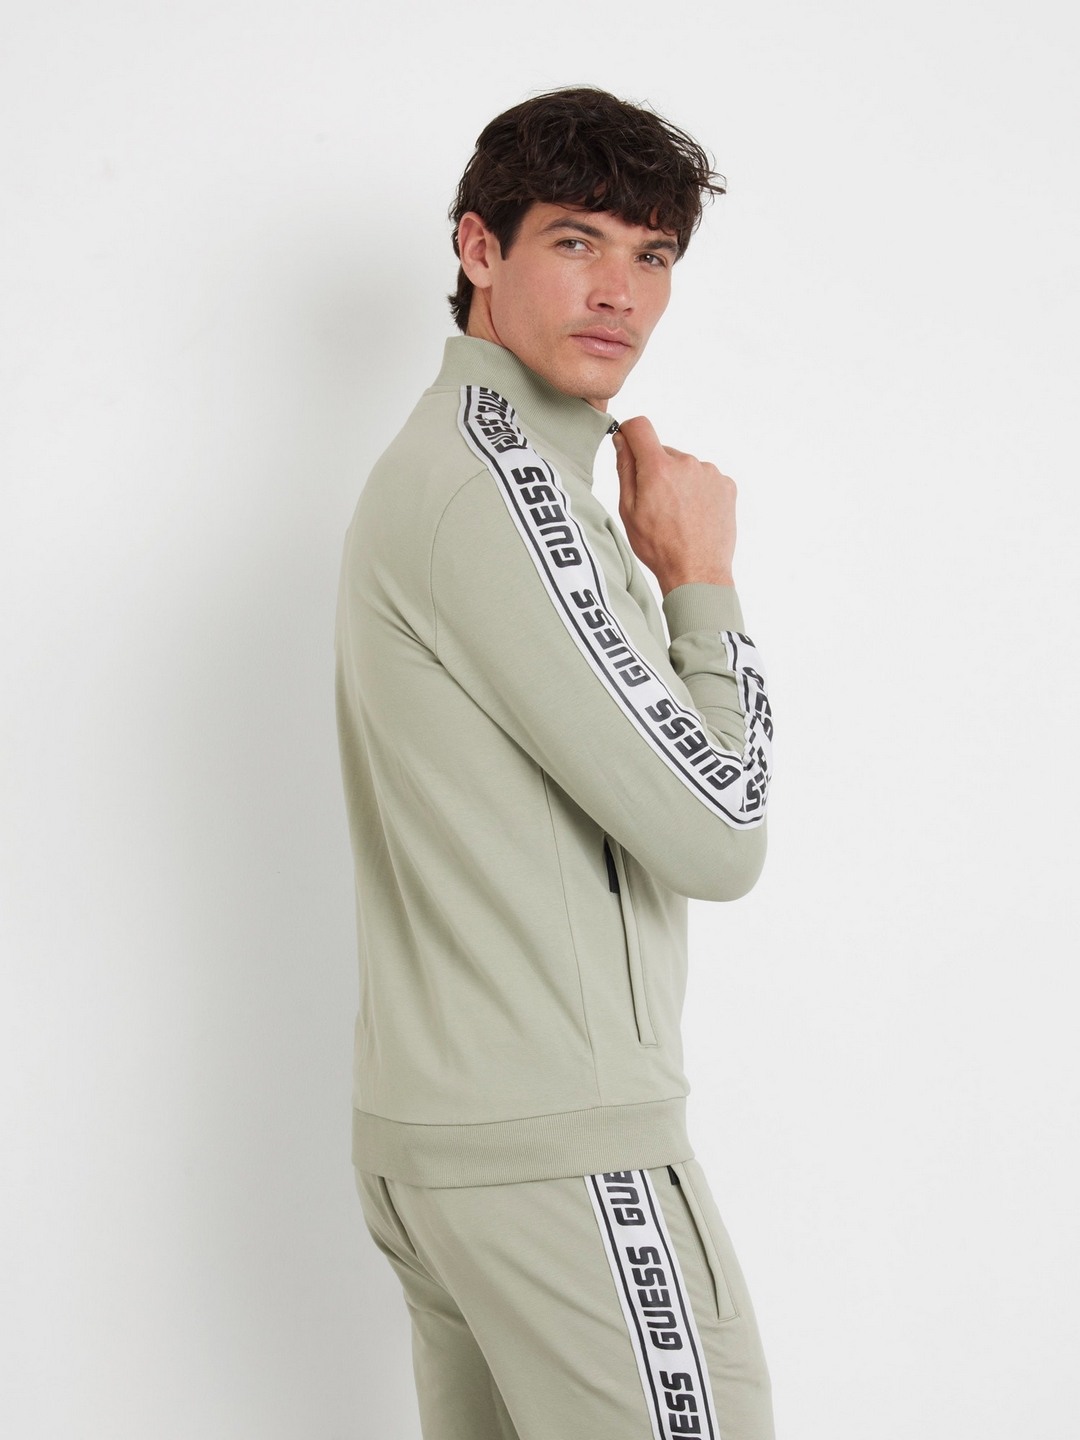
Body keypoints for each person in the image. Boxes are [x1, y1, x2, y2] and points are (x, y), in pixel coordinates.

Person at [335, 85, 775, 1440]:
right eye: (576, 241)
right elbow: (720, 834)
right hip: (559, 1157)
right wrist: (701, 580)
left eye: (653, 255)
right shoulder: (499, 493)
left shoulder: (487, 478)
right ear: (480, 250)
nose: (620, 293)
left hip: (460, 1144)